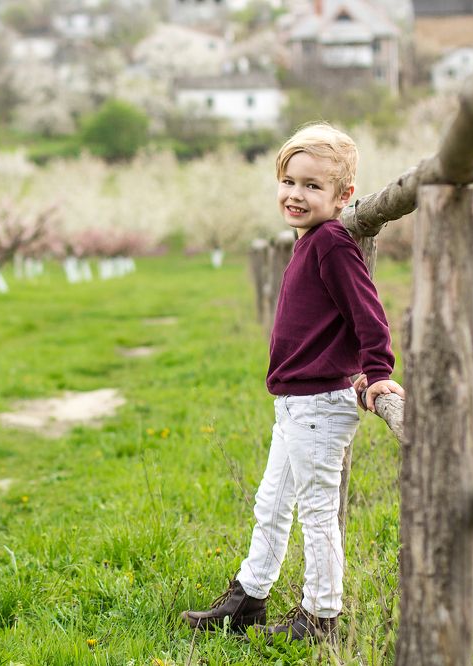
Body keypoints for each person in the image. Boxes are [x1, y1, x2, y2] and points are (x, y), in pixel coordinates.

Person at [181, 123, 405, 642]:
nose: (295, 195)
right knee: (272, 504)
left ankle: (322, 615)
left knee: (318, 513)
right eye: (288, 181)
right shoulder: (309, 242)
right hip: (294, 403)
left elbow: (368, 314)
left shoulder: (331, 243)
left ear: (343, 196)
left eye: (312, 186)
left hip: (320, 404)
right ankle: (248, 597)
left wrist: (378, 373)